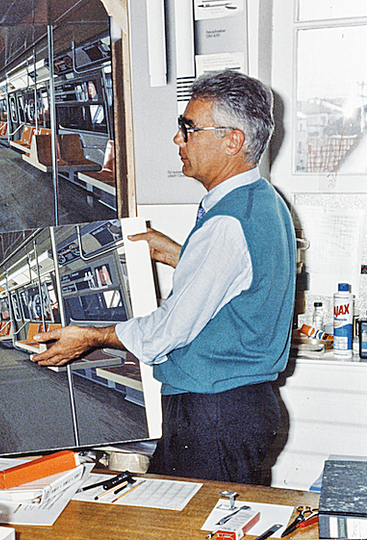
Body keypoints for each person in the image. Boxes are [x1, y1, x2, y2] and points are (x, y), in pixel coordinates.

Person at [31, 70, 295, 485]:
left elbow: (168, 331)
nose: (178, 140)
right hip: (236, 406)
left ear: (233, 140)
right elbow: (237, 281)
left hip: (213, 413)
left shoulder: (226, 225)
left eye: (188, 128)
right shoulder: (264, 203)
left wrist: (92, 337)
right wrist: (177, 253)